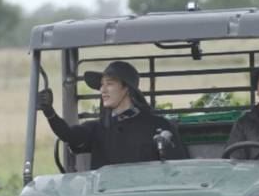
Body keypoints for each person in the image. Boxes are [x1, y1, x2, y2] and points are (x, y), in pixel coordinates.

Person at [37, 60, 187, 169]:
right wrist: (49, 112)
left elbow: (178, 170)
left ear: (126, 89)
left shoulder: (159, 126)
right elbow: (68, 134)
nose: (102, 90)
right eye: (101, 85)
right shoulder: (97, 128)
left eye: (109, 83)